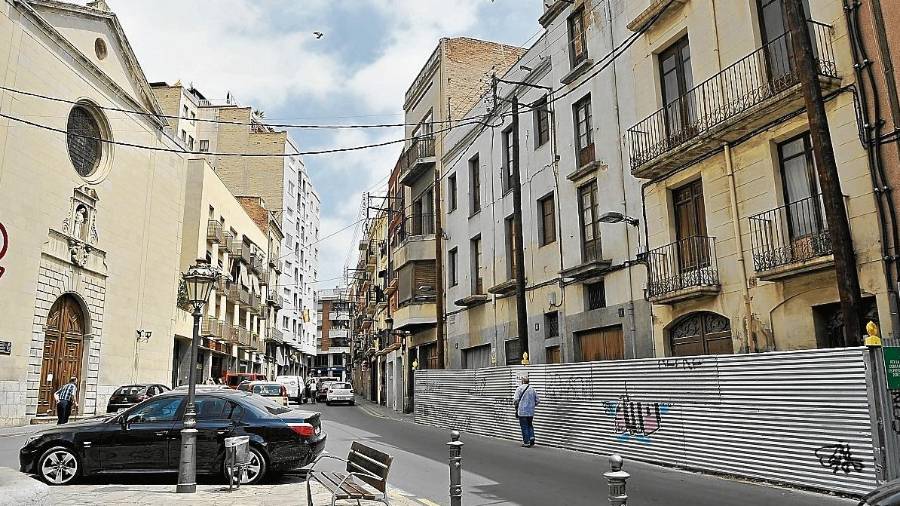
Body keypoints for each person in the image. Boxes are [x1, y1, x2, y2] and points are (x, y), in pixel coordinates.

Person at [513, 376, 539, 447]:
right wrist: (532, 405)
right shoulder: (533, 389)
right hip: (531, 412)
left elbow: (515, 400)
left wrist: (516, 406)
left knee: (524, 426)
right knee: (530, 425)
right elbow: (537, 401)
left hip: (522, 412)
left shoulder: (519, 389)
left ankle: (526, 442)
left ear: (522, 381)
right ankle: (532, 438)